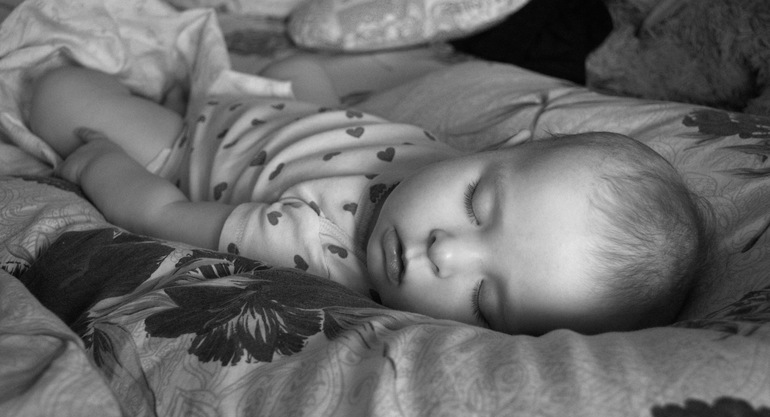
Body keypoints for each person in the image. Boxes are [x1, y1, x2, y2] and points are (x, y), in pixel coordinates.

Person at [27, 56, 710, 336]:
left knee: (56, 94)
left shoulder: (316, 248)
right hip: (294, 113)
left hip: (190, 148)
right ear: (496, 150)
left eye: (482, 298)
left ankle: (137, 105)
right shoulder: (445, 157)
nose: (445, 251)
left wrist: (102, 164)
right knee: (301, 66)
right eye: (476, 205)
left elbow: (162, 212)